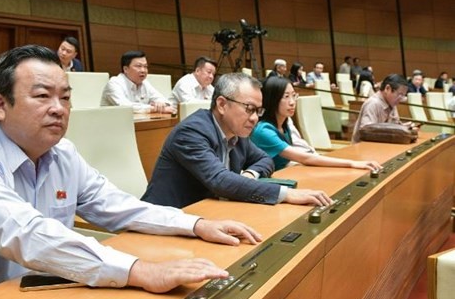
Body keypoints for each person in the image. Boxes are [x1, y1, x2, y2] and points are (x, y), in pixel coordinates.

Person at [0, 45, 262, 299]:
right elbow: (29, 236)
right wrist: (141, 271)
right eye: (42, 96)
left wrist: (196, 224)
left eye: (65, 97)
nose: (59, 108)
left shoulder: (63, 153)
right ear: (0, 105)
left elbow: (118, 206)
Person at [141, 72, 333, 209]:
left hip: (210, 214)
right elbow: (219, 180)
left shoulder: (236, 132)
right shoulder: (192, 132)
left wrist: (249, 174)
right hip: (168, 218)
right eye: (249, 108)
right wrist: (286, 194)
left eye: (259, 111)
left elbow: (265, 160)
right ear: (222, 104)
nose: (255, 118)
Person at [250, 77, 381, 171]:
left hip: (286, 175)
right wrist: (352, 164)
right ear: (272, 100)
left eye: (294, 95)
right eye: (286, 97)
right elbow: (305, 158)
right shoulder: (264, 131)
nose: (292, 102)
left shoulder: (284, 125)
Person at [100, 50, 175, 114]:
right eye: (138, 66)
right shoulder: (114, 83)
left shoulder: (145, 83)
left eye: (145, 66)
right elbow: (125, 107)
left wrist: (162, 104)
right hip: (112, 126)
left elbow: (163, 100)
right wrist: (154, 108)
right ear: (126, 69)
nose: (143, 70)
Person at [351, 74, 416, 144]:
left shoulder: (392, 103)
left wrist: (403, 128)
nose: (402, 99)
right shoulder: (373, 103)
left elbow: (394, 124)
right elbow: (366, 131)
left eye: (403, 95)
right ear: (387, 88)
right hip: (364, 148)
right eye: (400, 94)